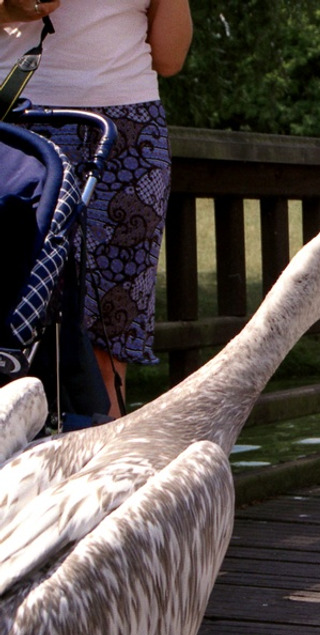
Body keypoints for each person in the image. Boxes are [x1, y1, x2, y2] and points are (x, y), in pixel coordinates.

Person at [0, 0, 193, 418]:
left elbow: (170, 57)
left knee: (109, 343)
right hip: (22, 127)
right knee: (16, 332)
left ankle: (100, 472)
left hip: (130, 136)